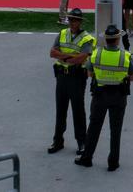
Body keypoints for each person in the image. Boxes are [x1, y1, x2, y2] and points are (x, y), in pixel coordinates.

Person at [75, 25, 133, 172]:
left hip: (100, 95)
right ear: (117, 40)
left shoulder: (96, 54)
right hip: (118, 96)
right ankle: (113, 163)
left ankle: (87, 158)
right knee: (116, 130)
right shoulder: (125, 56)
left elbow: (89, 73)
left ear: (106, 40)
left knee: (94, 128)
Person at [49, 8, 95, 156]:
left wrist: (63, 56)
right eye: (70, 19)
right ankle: (58, 141)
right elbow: (52, 53)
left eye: (75, 20)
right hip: (62, 76)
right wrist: (71, 57)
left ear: (80, 22)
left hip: (77, 77)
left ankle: (82, 142)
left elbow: (81, 58)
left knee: (78, 110)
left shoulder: (87, 38)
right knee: (60, 110)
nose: (72, 22)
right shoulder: (62, 33)